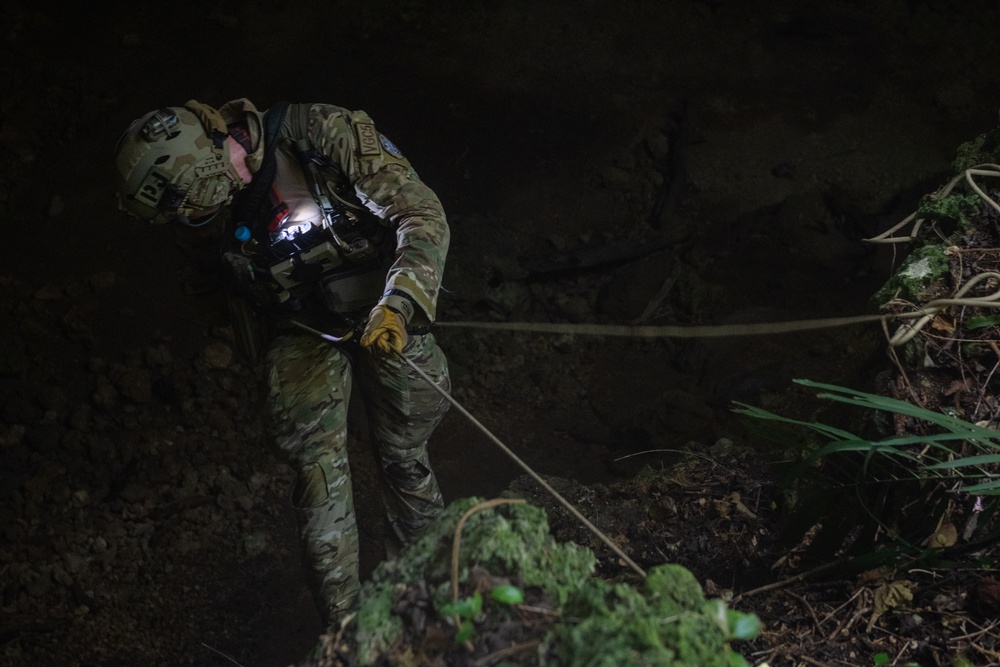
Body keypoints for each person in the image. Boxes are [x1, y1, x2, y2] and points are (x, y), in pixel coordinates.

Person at [112, 99, 452, 626]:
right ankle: (349, 635)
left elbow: (421, 215)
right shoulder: (204, 212)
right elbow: (207, 279)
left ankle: (431, 598)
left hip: (385, 308)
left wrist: (401, 304)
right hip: (300, 327)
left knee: (404, 453)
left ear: (200, 171)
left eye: (189, 209)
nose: (190, 222)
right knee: (317, 477)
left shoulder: (318, 135)